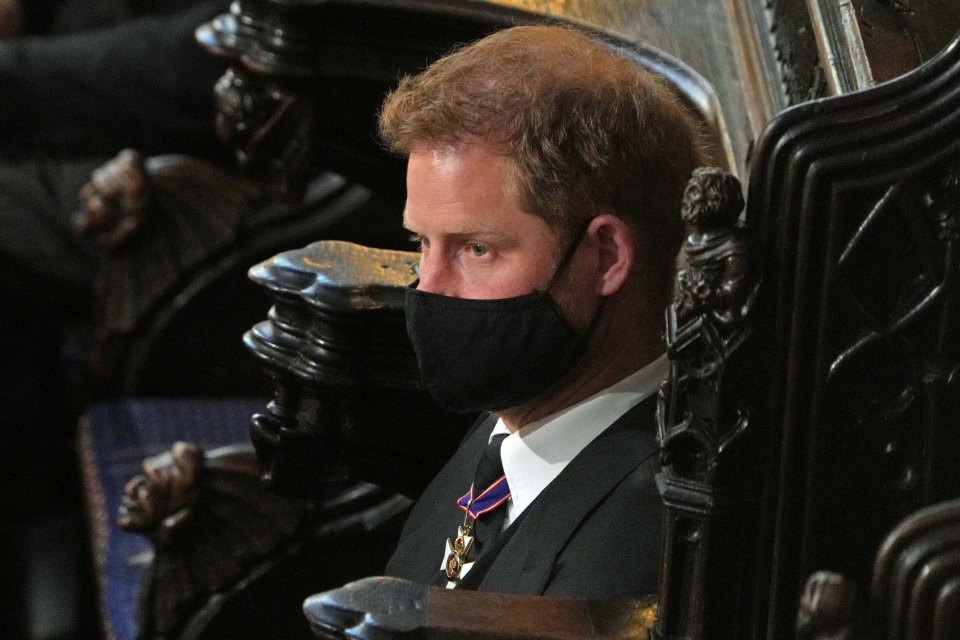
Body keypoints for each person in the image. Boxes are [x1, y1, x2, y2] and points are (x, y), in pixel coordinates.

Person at [381, 24, 705, 596]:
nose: (428, 288)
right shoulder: (524, 414)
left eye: (476, 249)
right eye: (421, 244)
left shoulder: (634, 552)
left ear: (604, 257)